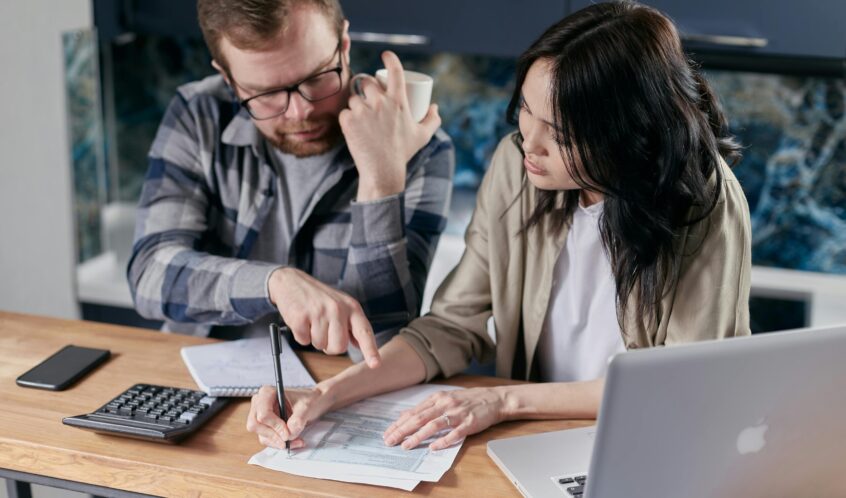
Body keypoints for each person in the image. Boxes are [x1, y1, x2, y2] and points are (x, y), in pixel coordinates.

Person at [247, 1, 752, 451]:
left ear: (627, 134)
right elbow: (450, 327)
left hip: (646, 444)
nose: (529, 143)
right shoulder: (517, 166)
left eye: (559, 134)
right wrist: (325, 394)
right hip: (533, 440)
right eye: (526, 112)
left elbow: (680, 385)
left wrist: (503, 401)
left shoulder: (704, 200)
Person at [127, 0, 455, 367]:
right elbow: (149, 275)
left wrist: (380, 182)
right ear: (228, 79)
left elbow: (382, 348)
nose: (301, 112)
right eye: (265, 93)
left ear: (344, 45)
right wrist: (274, 284)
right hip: (197, 372)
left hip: (337, 387)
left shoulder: (419, 147)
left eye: (317, 77)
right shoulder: (199, 113)